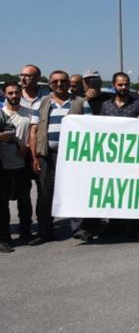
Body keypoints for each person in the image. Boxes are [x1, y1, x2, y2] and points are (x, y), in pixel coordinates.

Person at [28, 71, 92, 245]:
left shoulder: (81, 103)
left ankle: (79, 229)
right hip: (47, 156)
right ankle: (44, 231)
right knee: (44, 194)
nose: (59, 84)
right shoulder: (40, 104)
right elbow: (33, 131)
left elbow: (91, 129)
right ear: (49, 84)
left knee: (77, 192)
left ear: (68, 83)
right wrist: (34, 156)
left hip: (74, 157)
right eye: (55, 81)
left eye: (63, 81)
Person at [99, 72, 139, 237]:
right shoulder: (106, 106)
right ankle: (115, 224)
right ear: (114, 85)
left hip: (133, 156)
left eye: (126, 84)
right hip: (112, 158)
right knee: (114, 190)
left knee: (132, 189)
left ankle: (135, 225)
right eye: (120, 85)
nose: (124, 87)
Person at [1, 82, 35, 252]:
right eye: (10, 93)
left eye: (16, 93)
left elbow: (34, 135)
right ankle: (4, 238)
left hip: (22, 166)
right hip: (2, 167)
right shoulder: (0, 114)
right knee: (2, 205)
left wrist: (27, 147)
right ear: (4, 94)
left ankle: (26, 232)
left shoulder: (28, 114)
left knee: (25, 202)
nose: (14, 96)